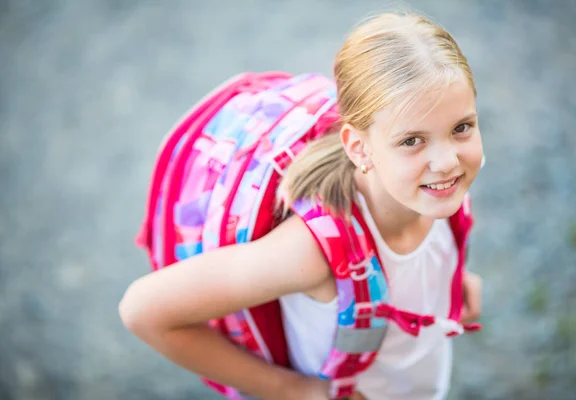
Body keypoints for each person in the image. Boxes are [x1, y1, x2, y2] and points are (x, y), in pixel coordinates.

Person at [119, 12, 483, 400]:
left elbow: (415, 262)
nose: (446, 161)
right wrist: (292, 389)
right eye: (412, 141)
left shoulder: (434, 188)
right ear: (360, 147)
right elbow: (143, 310)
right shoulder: (311, 252)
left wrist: (453, 280)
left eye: (461, 128)